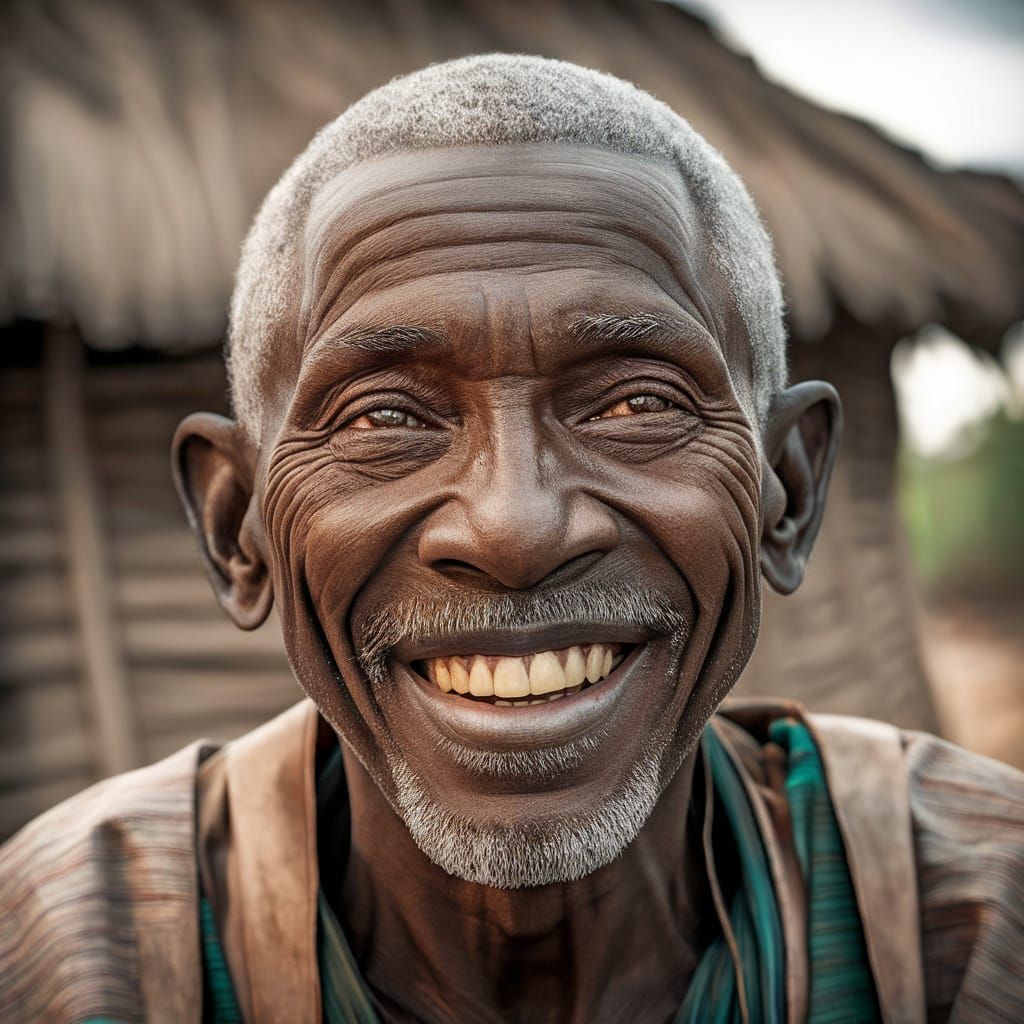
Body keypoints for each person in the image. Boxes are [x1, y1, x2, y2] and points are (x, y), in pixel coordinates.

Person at [1, 55, 1021, 1024]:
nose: (515, 527)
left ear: (786, 492)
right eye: (383, 417)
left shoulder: (978, 920)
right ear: (237, 528)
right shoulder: (72, 959)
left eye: (633, 402)